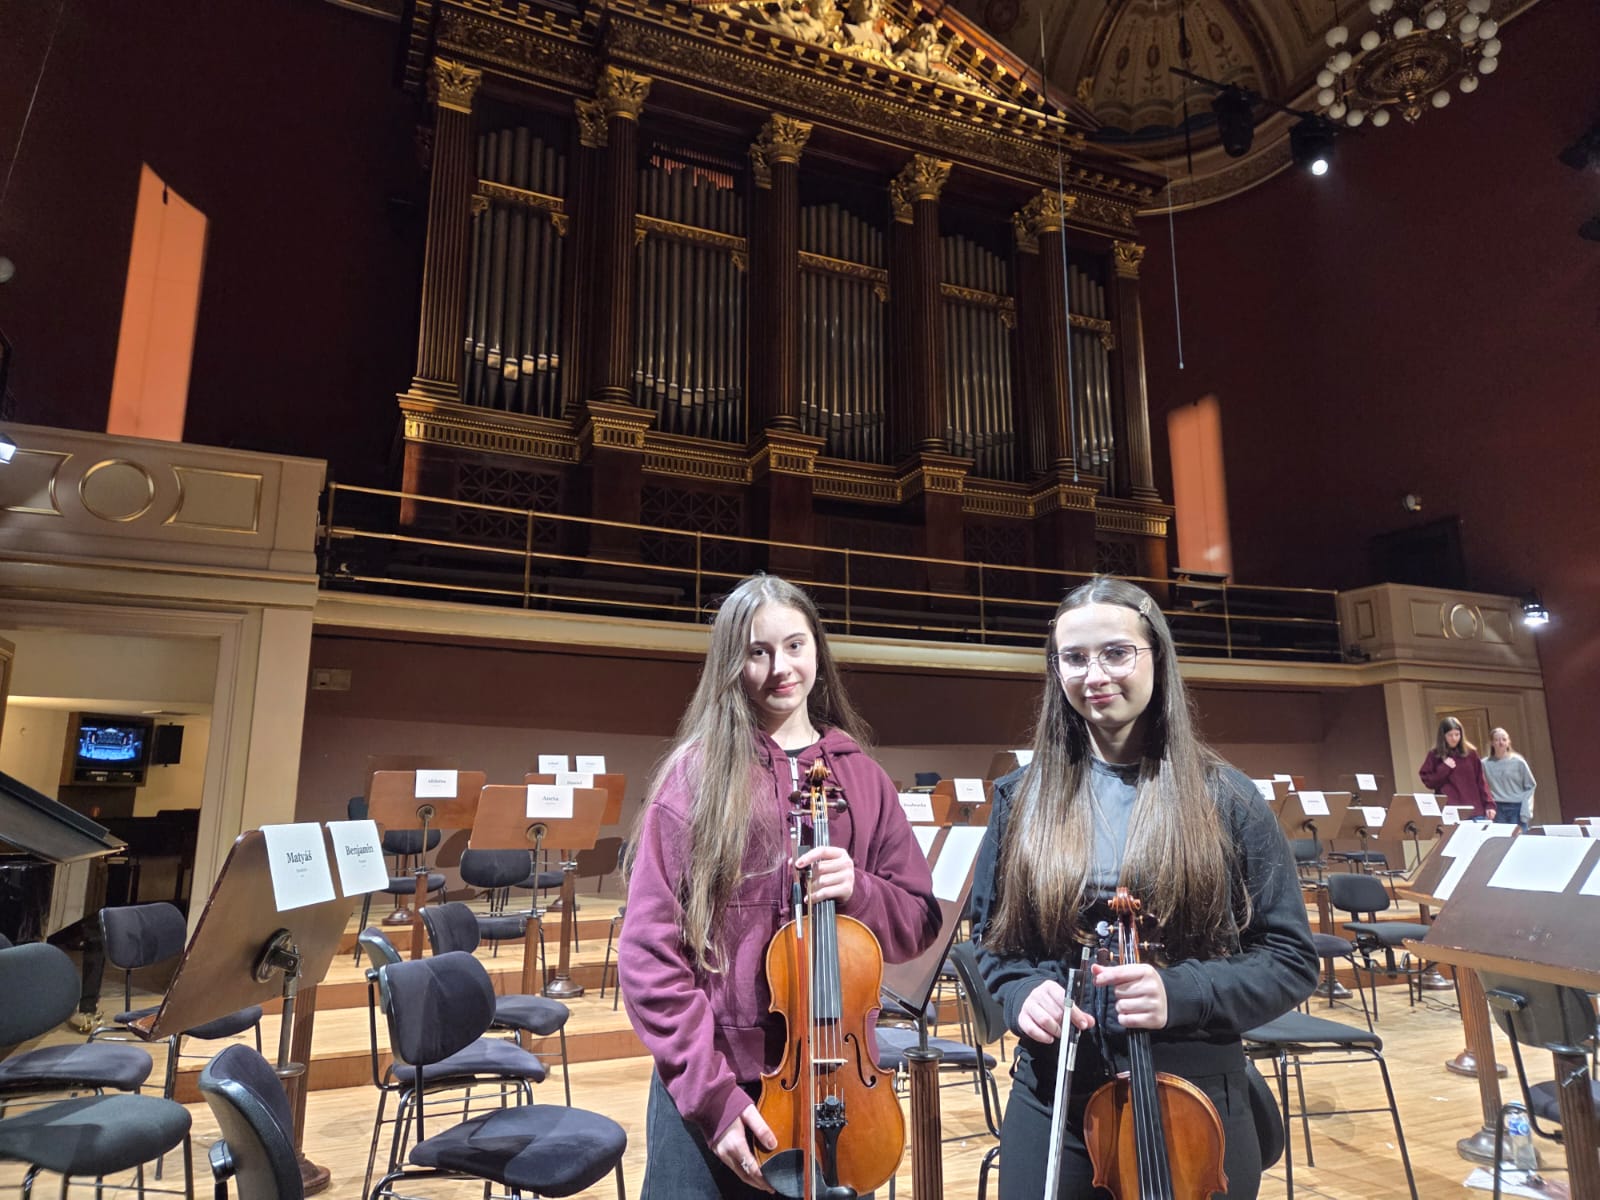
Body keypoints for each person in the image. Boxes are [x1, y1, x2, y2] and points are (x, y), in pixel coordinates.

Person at [968, 575, 1319, 1200]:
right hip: (1056, 1095)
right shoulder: (1021, 800)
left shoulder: (1228, 798)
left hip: (1194, 1098)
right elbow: (993, 944)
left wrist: (1180, 992)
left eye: (1116, 653)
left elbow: (1290, 959)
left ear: (1157, 655)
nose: (1095, 675)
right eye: (1074, 658)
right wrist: (1021, 992)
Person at [618, 573, 941, 1198]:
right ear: (730, 664)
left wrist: (859, 890)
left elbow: (918, 922)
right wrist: (712, 1096)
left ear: (817, 648)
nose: (780, 668)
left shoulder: (863, 779)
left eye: (795, 646)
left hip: (838, 1089)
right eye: (757, 652)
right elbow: (648, 955)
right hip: (714, 1086)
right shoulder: (695, 778)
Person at [1419, 716, 1494, 820]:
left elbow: (1481, 780)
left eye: (1457, 734)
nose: (1454, 738)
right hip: (1450, 812)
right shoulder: (1435, 755)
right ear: (1443, 736)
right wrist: (1444, 768)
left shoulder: (1471, 753)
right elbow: (1429, 782)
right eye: (1450, 735)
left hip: (1475, 811)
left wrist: (1489, 804)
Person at [1483, 726, 1536, 829]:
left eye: (1504, 739)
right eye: (1497, 740)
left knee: (1518, 837)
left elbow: (1530, 786)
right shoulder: (1484, 764)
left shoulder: (1518, 762)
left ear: (1508, 742)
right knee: (1500, 838)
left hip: (1516, 807)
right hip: (1497, 808)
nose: (1501, 743)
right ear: (1492, 743)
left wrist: (1526, 810)